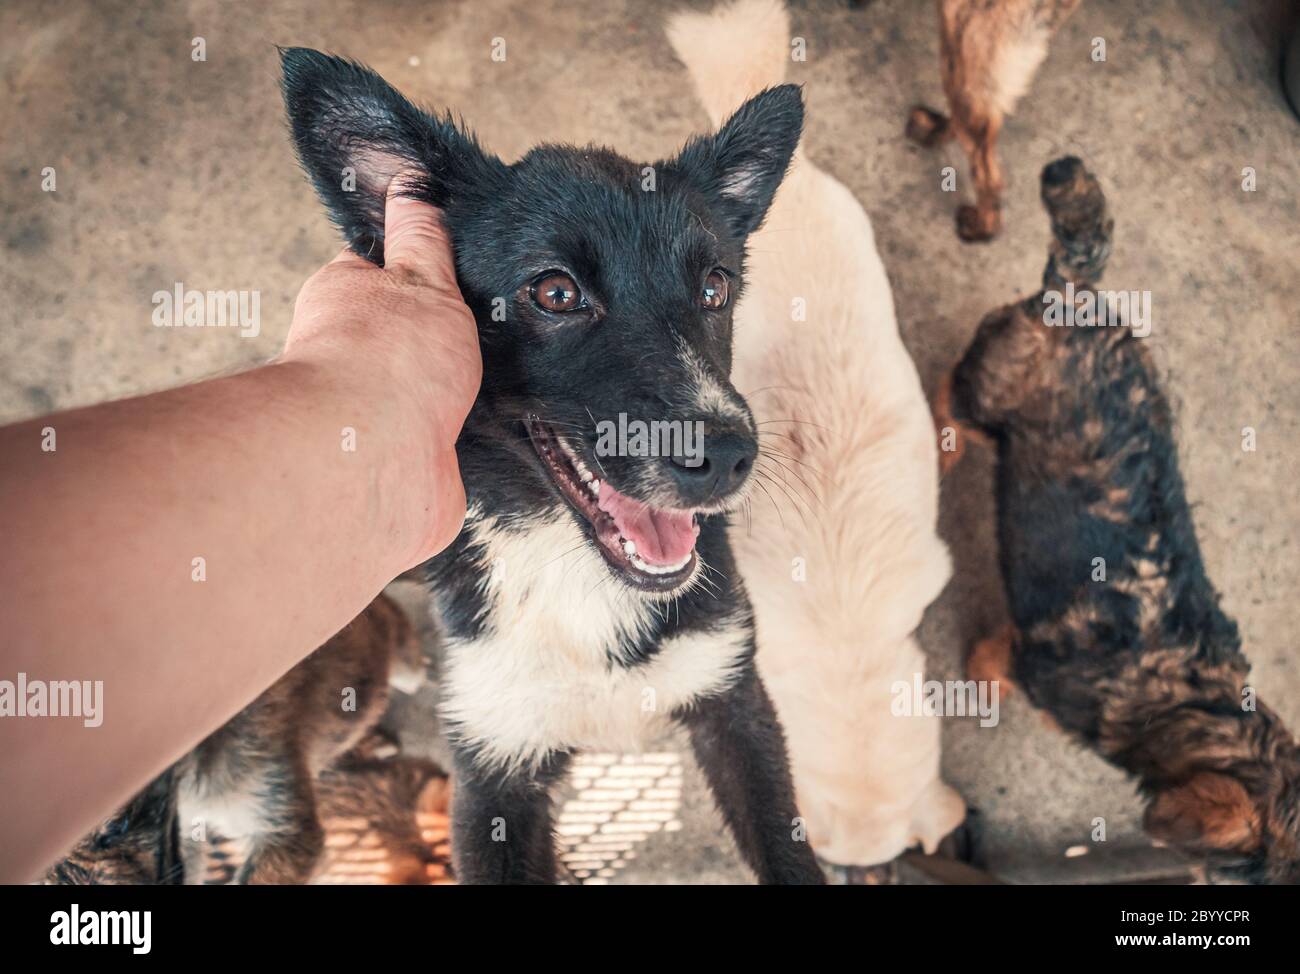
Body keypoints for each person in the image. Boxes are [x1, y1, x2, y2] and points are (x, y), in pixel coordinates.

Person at [0, 184, 481, 883]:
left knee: (398, 656)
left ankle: (375, 432)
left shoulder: (232, 757)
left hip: (361, 636)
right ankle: (372, 427)